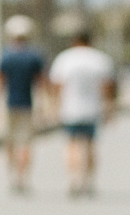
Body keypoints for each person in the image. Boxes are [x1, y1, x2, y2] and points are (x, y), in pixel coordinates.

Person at [48, 30, 115, 197]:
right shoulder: (100, 59)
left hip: (70, 109)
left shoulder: (65, 58)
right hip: (92, 109)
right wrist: (108, 109)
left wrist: (54, 107)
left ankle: (73, 180)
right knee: (91, 145)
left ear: (74, 41)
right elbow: (106, 88)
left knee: (71, 145)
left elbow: (57, 85)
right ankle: (89, 181)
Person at [0, 15, 46, 193]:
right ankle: (22, 178)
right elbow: (41, 83)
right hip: (27, 106)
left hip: (9, 106)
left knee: (9, 143)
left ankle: (13, 175)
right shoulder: (34, 57)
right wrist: (45, 106)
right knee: (25, 144)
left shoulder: (5, 56)